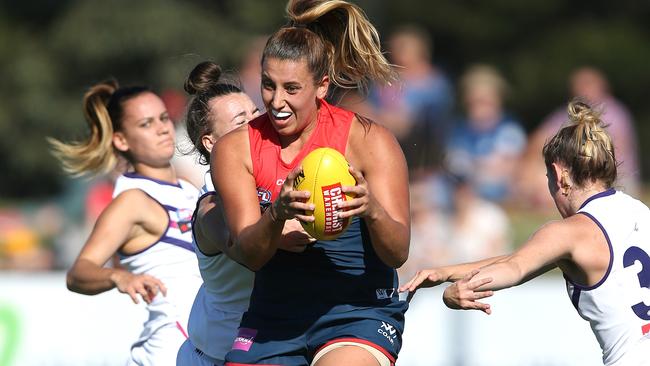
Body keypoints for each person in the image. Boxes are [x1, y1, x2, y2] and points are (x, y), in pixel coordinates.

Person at [211, 1, 411, 365]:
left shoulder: (368, 140)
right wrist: (276, 215)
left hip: (357, 311)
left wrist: (372, 209)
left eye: (292, 88)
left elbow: (398, 252)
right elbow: (249, 255)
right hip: (274, 316)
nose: (276, 101)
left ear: (321, 86)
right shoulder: (234, 148)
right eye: (268, 85)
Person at [402, 100, 650, 366]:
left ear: (559, 174)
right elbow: (518, 258)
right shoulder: (640, 212)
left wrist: (462, 288)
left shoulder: (568, 232)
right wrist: (444, 272)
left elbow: (515, 267)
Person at [48, 80, 203, 366]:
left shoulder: (189, 188)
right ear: (121, 140)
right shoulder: (132, 201)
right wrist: (119, 277)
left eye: (163, 118)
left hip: (206, 344)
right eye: (146, 124)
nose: (162, 129)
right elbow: (78, 273)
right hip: (169, 351)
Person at [517, 66, 640, 210]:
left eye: (588, 84)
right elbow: (538, 140)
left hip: (607, 177)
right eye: (579, 85)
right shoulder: (569, 113)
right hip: (577, 174)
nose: (583, 89)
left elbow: (613, 157)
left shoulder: (614, 113)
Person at [445, 64, 527, 204]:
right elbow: (453, 163)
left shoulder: (509, 129)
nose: (478, 108)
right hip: (463, 191)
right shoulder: (460, 130)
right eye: (474, 102)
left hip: (496, 192)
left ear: (497, 100)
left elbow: (506, 169)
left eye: (483, 102)